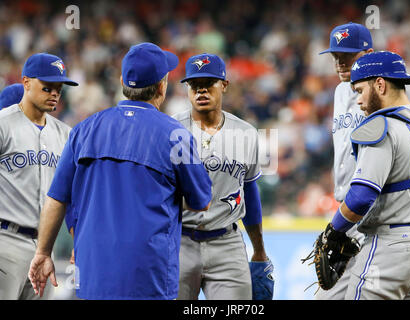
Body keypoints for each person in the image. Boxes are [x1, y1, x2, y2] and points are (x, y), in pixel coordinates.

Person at [27, 43, 213, 300]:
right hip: (148, 280)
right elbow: (201, 202)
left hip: (92, 276)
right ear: (161, 86)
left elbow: (57, 197)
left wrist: (43, 253)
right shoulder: (176, 135)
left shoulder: (84, 129)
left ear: (124, 81)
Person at [316, 22, 410, 300]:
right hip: (355, 212)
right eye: (335, 56)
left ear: (367, 54)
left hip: (379, 210)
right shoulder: (343, 91)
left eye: (348, 56)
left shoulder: (395, 88)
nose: (340, 62)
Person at [172, 53, 274, 300]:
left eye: (208, 83)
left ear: (224, 85)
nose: (201, 90)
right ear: (187, 88)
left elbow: (249, 191)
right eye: (195, 85)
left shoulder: (246, 133)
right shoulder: (171, 130)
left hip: (227, 242)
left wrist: (259, 250)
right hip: (179, 242)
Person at [0, 53, 78, 300]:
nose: (55, 93)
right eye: (47, 86)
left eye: (59, 87)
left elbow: (73, 195)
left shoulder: (66, 134)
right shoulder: (3, 124)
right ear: (26, 82)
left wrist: (78, 239)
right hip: (5, 241)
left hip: (45, 248)